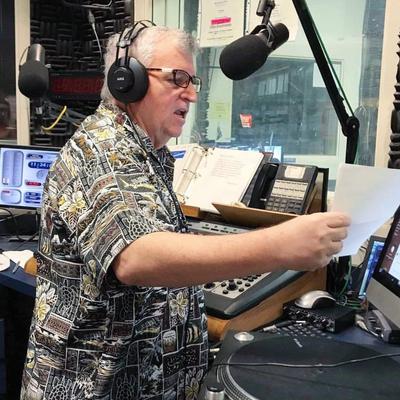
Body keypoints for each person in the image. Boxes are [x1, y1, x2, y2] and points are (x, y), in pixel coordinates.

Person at [21, 24, 350, 400]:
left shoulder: (146, 155)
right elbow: (136, 257)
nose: (191, 94)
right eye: (177, 78)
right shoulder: (100, 151)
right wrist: (281, 246)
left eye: (192, 81)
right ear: (128, 79)